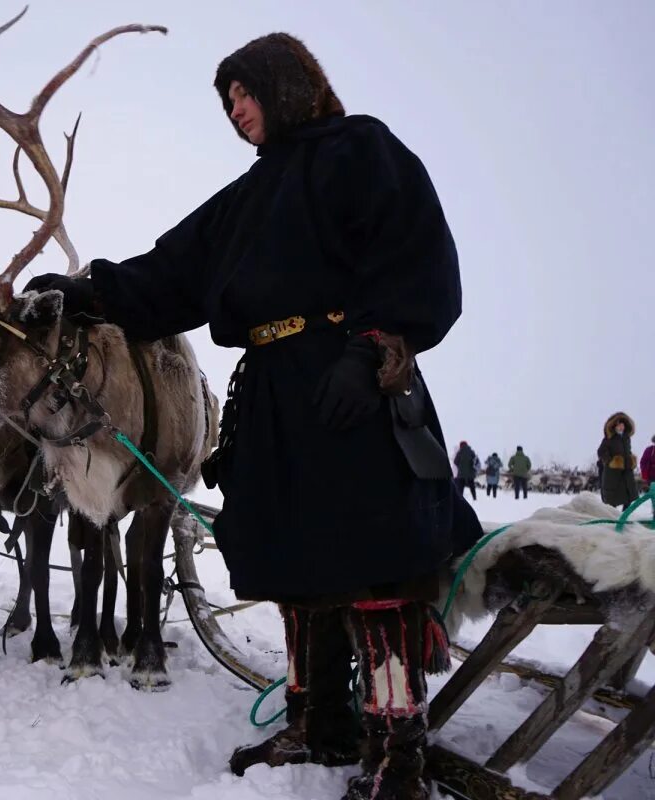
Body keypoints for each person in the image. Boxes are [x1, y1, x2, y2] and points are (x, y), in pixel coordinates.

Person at [26, 33, 480, 800]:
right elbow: (172, 274)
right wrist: (86, 292)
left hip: (350, 380)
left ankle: (397, 753)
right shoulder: (248, 197)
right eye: (226, 100)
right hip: (272, 392)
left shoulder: (360, 149)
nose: (235, 110)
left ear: (286, 85)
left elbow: (417, 251)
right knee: (290, 557)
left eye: (244, 92)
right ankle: (317, 723)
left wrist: (372, 349)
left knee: (374, 560)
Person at [598, 412, 638, 507]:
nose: (621, 427)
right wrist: (611, 461)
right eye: (619, 425)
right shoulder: (609, 439)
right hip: (613, 473)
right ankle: (612, 517)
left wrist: (631, 460)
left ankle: (625, 515)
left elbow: (628, 451)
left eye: (622, 425)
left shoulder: (626, 438)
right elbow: (601, 452)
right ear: (614, 427)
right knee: (612, 497)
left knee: (628, 494)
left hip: (626, 471)